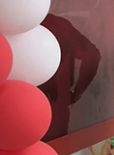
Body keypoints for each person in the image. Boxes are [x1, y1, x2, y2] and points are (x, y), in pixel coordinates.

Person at [39, 13, 101, 141]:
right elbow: (92, 55)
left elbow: (92, 55)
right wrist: (77, 91)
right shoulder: (58, 25)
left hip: (48, 110)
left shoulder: (5, 26)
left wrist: (77, 91)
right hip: (55, 110)